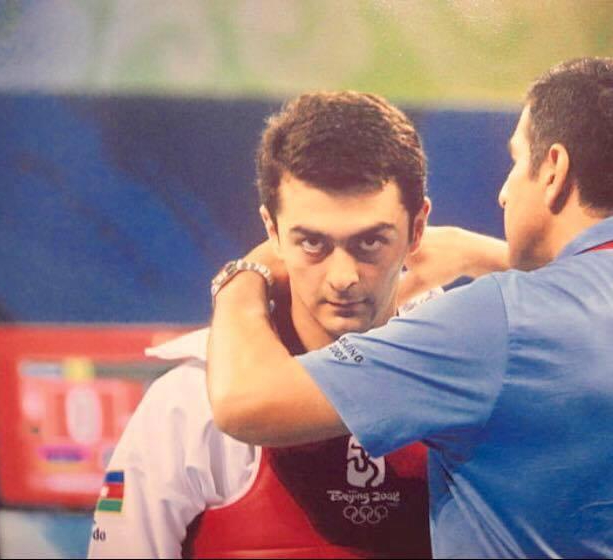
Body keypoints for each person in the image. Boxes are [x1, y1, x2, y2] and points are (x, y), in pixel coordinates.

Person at [207, 57, 613, 558]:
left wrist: (242, 274)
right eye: (313, 241)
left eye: (516, 161)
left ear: (553, 169)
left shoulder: (491, 324)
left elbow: (244, 403)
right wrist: (480, 254)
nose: (504, 192)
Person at [88, 90, 465, 559]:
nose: (343, 276)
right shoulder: (188, 403)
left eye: (370, 242)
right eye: (313, 243)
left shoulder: (469, 377)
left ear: (418, 228)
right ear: (272, 231)